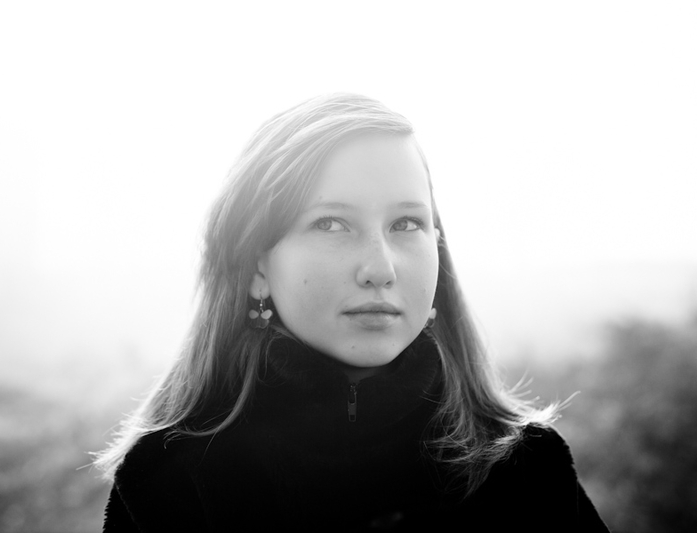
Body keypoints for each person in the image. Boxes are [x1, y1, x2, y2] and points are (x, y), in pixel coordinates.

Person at [95, 94, 609, 532]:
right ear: (256, 265)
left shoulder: (528, 468)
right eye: (332, 224)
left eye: (406, 223)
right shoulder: (169, 478)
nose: (380, 268)